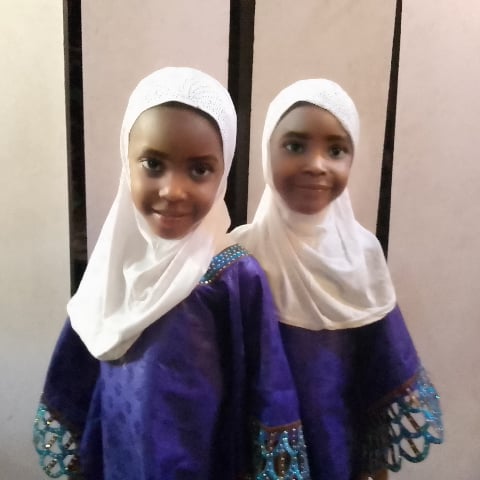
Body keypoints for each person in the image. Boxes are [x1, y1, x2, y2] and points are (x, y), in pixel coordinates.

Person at [33, 67, 311, 480]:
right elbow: (78, 369)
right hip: (119, 460)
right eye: (153, 164)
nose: (173, 190)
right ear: (127, 163)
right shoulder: (113, 268)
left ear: (223, 173)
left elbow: (268, 385)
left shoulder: (233, 277)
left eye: (199, 170)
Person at [230, 78, 444, 480]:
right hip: (252, 458)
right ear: (265, 151)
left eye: (336, 150)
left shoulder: (361, 254)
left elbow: (378, 371)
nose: (316, 164)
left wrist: (374, 470)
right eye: (295, 146)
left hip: (337, 450)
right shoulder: (239, 256)